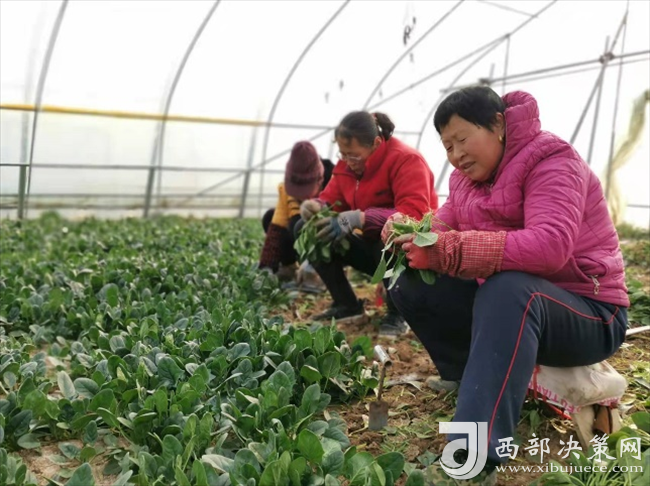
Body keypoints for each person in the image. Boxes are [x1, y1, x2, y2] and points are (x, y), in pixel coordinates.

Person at [382, 87, 629, 485]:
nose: (456, 154)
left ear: (498, 124)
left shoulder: (552, 160)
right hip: (518, 313)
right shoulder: (465, 181)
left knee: (508, 288)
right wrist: (410, 232)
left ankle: (476, 451)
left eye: (463, 139)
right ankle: (465, 374)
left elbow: (550, 247)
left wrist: (450, 250)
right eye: (447, 146)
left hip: (590, 313)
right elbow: (441, 226)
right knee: (409, 277)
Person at [298, 110, 439, 336]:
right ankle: (346, 305)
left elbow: (414, 215)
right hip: (372, 249)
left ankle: (399, 313)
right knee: (308, 228)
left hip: (410, 254)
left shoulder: (406, 160)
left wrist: (362, 218)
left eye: (353, 156)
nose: (347, 162)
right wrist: (316, 206)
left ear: (376, 143)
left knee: (391, 236)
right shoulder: (346, 166)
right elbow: (331, 199)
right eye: (343, 154)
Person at [258, 141, 333, 291]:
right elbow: (276, 227)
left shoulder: (334, 182)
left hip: (330, 239)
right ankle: (290, 267)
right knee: (271, 217)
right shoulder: (285, 189)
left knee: (303, 224)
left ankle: (321, 273)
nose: (300, 196)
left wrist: (312, 263)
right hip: (300, 237)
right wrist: (267, 267)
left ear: (319, 180)